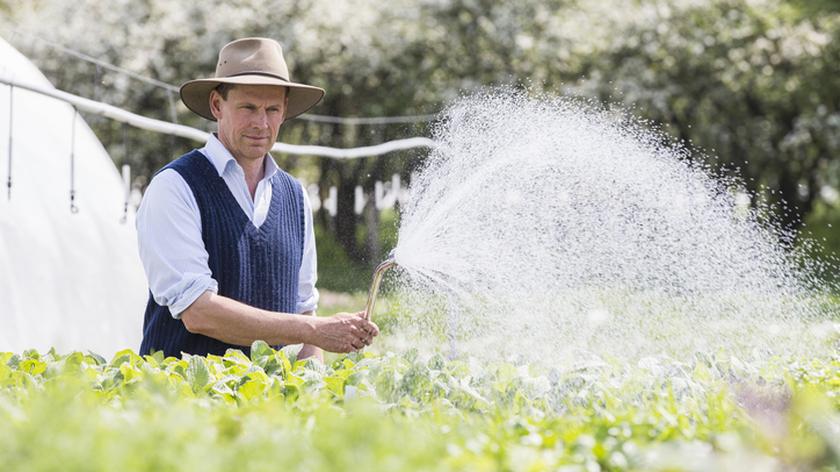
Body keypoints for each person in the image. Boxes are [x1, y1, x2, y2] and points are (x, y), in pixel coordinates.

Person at [137, 37, 378, 360]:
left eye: (272, 110)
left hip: (270, 394)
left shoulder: (295, 197)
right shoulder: (176, 187)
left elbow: (304, 311)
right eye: (248, 108)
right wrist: (314, 330)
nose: (261, 123)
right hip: (181, 390)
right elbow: (198, 312)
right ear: (217, 105)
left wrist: (315, 381)